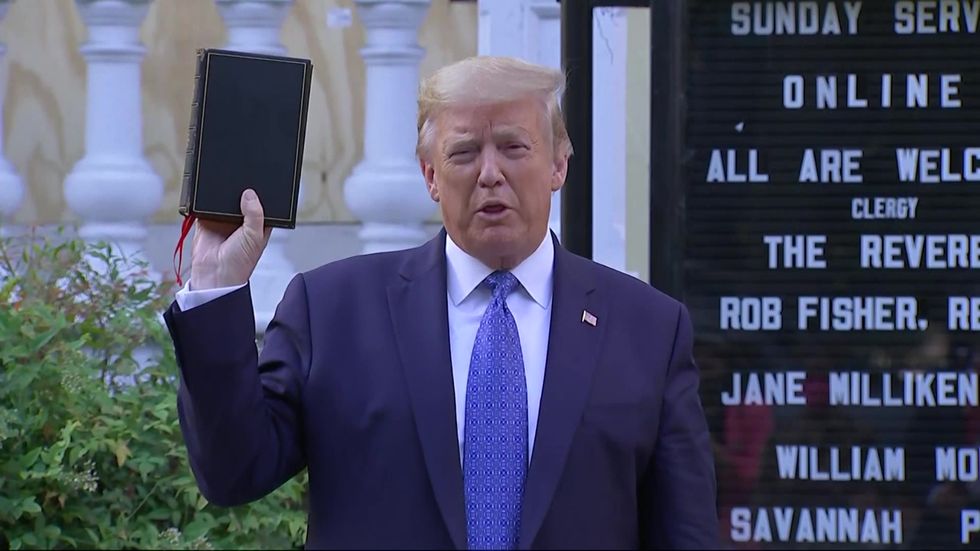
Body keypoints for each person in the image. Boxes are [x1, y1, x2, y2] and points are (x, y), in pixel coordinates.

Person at [164, 56, 718, 549]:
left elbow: (685, 531)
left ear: (559, 165)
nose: (490, 173)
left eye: (513, 147)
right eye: (464, 152)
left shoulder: (648, 328)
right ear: (431, 175)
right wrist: (217, 285)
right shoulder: (333, 309)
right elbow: (233, 472)